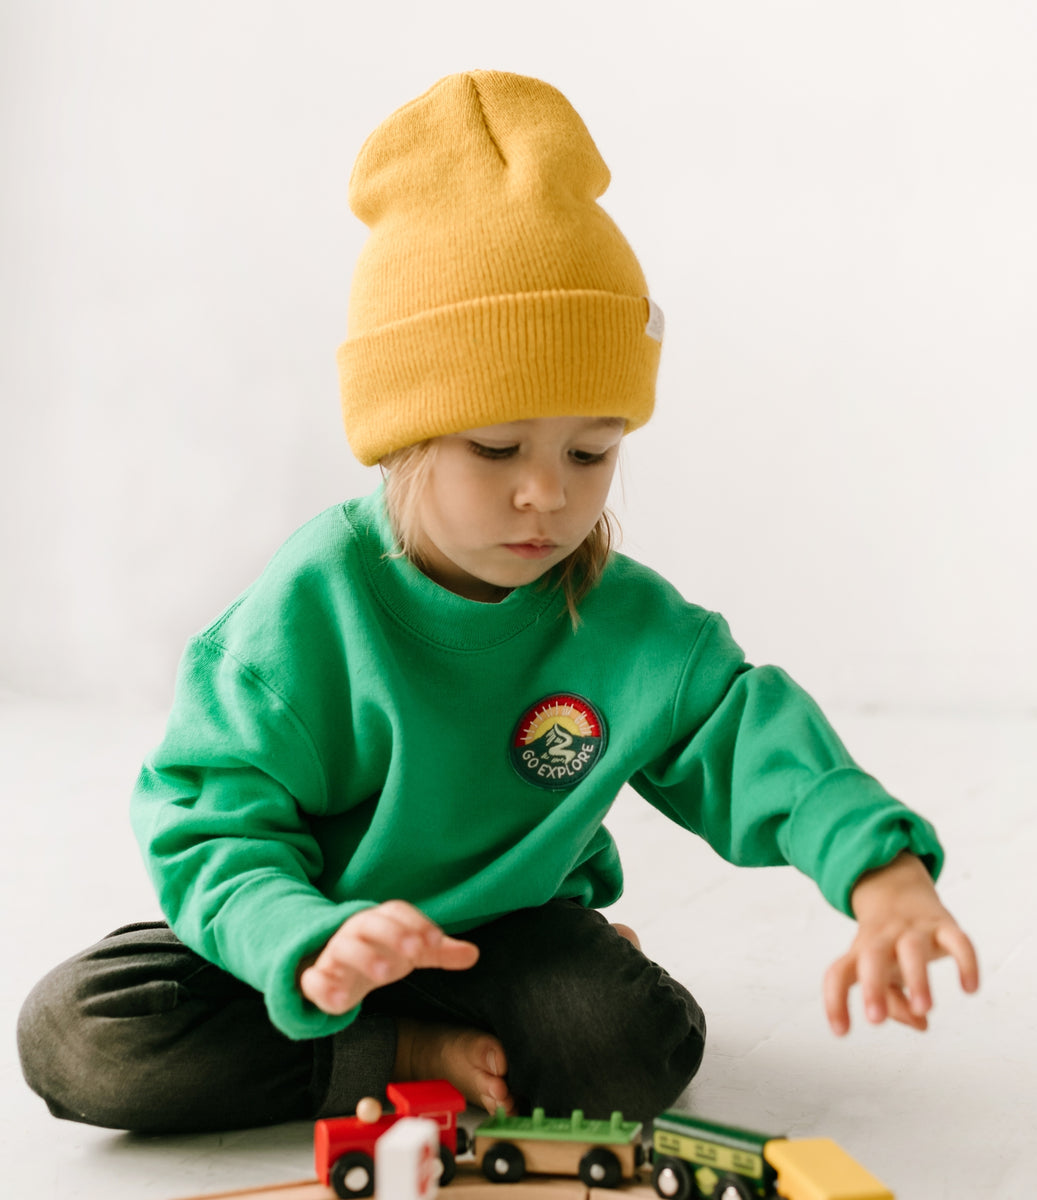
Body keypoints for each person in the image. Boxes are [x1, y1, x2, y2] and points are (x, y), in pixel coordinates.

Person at [17, 70, 978, 1136]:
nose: (548, 492)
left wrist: (882, 873)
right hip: (307, 945)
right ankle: (392, 1050)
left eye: (592, 448)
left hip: (505, 940)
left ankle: (473, 1023)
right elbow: (211, 817)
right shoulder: (310, 608)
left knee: (631, 1047)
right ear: (404, 437)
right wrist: (305, 937)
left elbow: (758, 746)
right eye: (495, 447)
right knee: (80, 1034)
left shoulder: (625, 625)